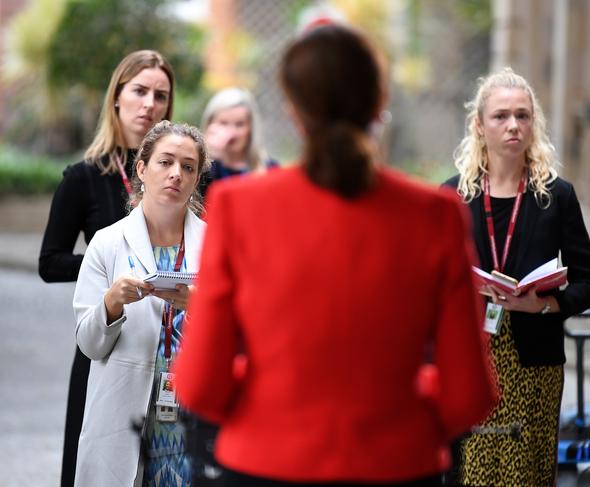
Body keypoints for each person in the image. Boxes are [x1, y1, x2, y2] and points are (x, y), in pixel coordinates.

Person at [173, 23, 497, 487]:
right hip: (396, 464)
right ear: (380, 102)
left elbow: (199, 384)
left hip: (265, 463)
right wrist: (401, 409)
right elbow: (468, 397)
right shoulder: (435, 215)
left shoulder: (239, 208)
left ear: (292, 109)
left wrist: (271, 398)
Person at [444, 67, 590, 486]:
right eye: (500, 116)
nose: (513, 125)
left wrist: (547, 304)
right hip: (474, 361)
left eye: (523, 115)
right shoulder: (452, 198)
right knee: (474, 475)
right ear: (479, 125)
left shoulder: (556, 195)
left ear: (534, 123)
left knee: (526, 477)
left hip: (535, 362)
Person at [38, 49, 175, 487]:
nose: (149, 104)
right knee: (94, 468)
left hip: (172, 346)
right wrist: (110, 268)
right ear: (116, 97)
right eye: (139, 91)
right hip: (106, 340)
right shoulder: (84, 176)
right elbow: (49, 262)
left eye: (160, 95)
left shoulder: (185, 175)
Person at [72, 121, 208, 486]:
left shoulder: (217, 245)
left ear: (197, 179)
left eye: (188, 167)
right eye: (165, 162)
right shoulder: (107, 243)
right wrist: (111, 304)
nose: (176, 174)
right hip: (123, 412)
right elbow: (89, 343)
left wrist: (201, 306)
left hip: (189, 415)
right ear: (142, 168)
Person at [200, 87, 278, 183]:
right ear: (209, 125)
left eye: (239, 124)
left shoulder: (270, 169)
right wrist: (209, 157)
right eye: (223, 123)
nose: (232, 132)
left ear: (251, 128)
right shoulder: (199, 168)